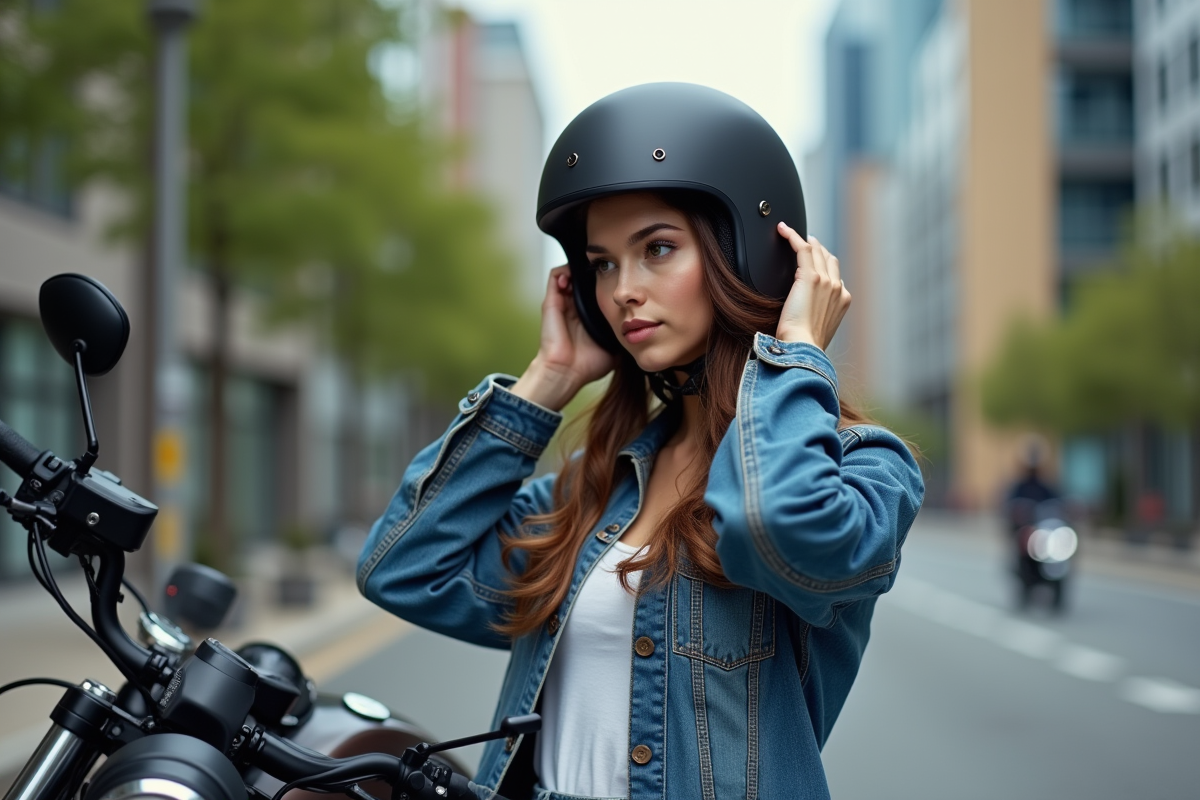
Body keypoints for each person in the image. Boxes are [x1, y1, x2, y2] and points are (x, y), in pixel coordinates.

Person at [357, 83, 925, 800]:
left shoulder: (860, 469)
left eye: (657, 249)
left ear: (746, 257)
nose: (623, 289)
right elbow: (403, 567)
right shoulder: (591, 488)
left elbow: (774, 522)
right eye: (603, 263)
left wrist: (797, 349)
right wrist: (548, 378)